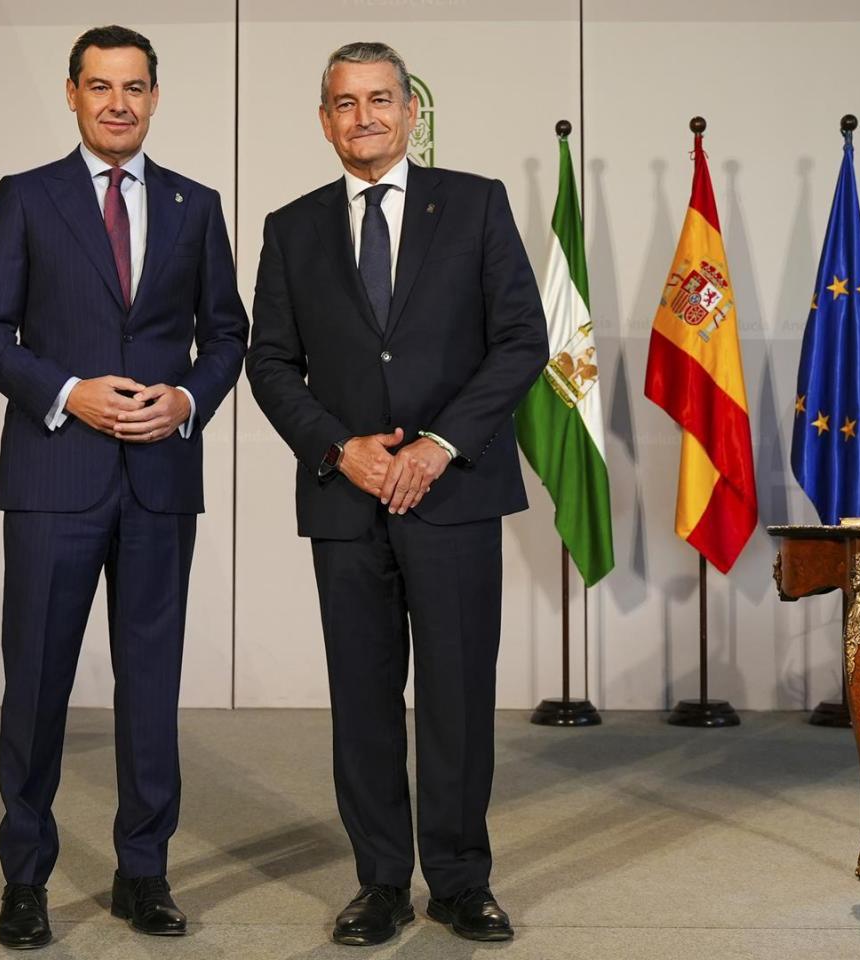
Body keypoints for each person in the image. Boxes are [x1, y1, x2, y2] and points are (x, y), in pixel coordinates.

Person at [244, 40, 547, 947]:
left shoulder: (479, 205)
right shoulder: (291, 227)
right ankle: (379, 882)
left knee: (456, 695)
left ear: (411, 112)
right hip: (346, 502)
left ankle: (459, 882)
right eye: (344, 102)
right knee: (364, 698)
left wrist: (439, 446)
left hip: (452, 495)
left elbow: (521, 342)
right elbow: (269, 362)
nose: (363, 117)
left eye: (380, 100)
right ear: (325, 118)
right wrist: (344, 452)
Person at [0, 24, 247, 950]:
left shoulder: (195, 205)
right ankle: (26, 880)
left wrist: (187, 400)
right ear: (72, 94)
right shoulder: (27, 198)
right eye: (99, 86)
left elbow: (229, 335)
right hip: (54, 480)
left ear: (155, 97)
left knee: (150, 687)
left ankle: (143, 872)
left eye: (134, 87)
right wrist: (68, 392)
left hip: (160, 481)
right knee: (37, 683)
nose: (117, 102)